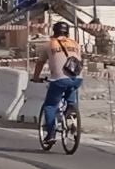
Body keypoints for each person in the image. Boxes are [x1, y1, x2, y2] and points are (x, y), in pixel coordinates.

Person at [32, 21, 83, 150]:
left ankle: (50, 134)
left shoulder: (49, 44)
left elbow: (40, 63)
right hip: (76, 79)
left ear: (54, 32)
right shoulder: (75, 44)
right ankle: (71, 118)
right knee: (71, 100)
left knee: (50, 106)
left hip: (59, 80)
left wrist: (36, 77)